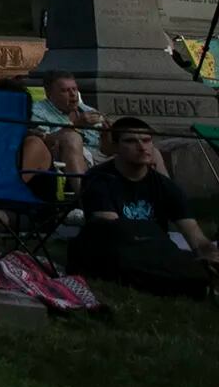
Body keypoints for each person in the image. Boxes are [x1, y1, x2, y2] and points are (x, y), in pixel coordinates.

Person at [67, 117, 218, 296]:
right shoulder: (99, 180)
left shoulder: (165, 186)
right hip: (111, 250)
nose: (142, 146)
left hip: (153, 251)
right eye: (131, 141)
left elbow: (195, 236)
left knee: (188, 261)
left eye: (147, 140)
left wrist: (210, 255)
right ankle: (196, 283)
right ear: (115, 148)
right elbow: (112, 232)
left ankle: (197, 280)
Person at [25, 70, 105, 177]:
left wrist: (110, 133)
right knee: (71, 137)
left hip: (101, 158)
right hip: (70, 161)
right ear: (49, 93)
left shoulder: (87, 110)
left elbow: (106, 147)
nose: (73, 94)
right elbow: (42, 140)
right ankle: (83, 192)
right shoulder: (37, 111)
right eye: (65, 90)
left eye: (74, 89)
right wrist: (75, 125)